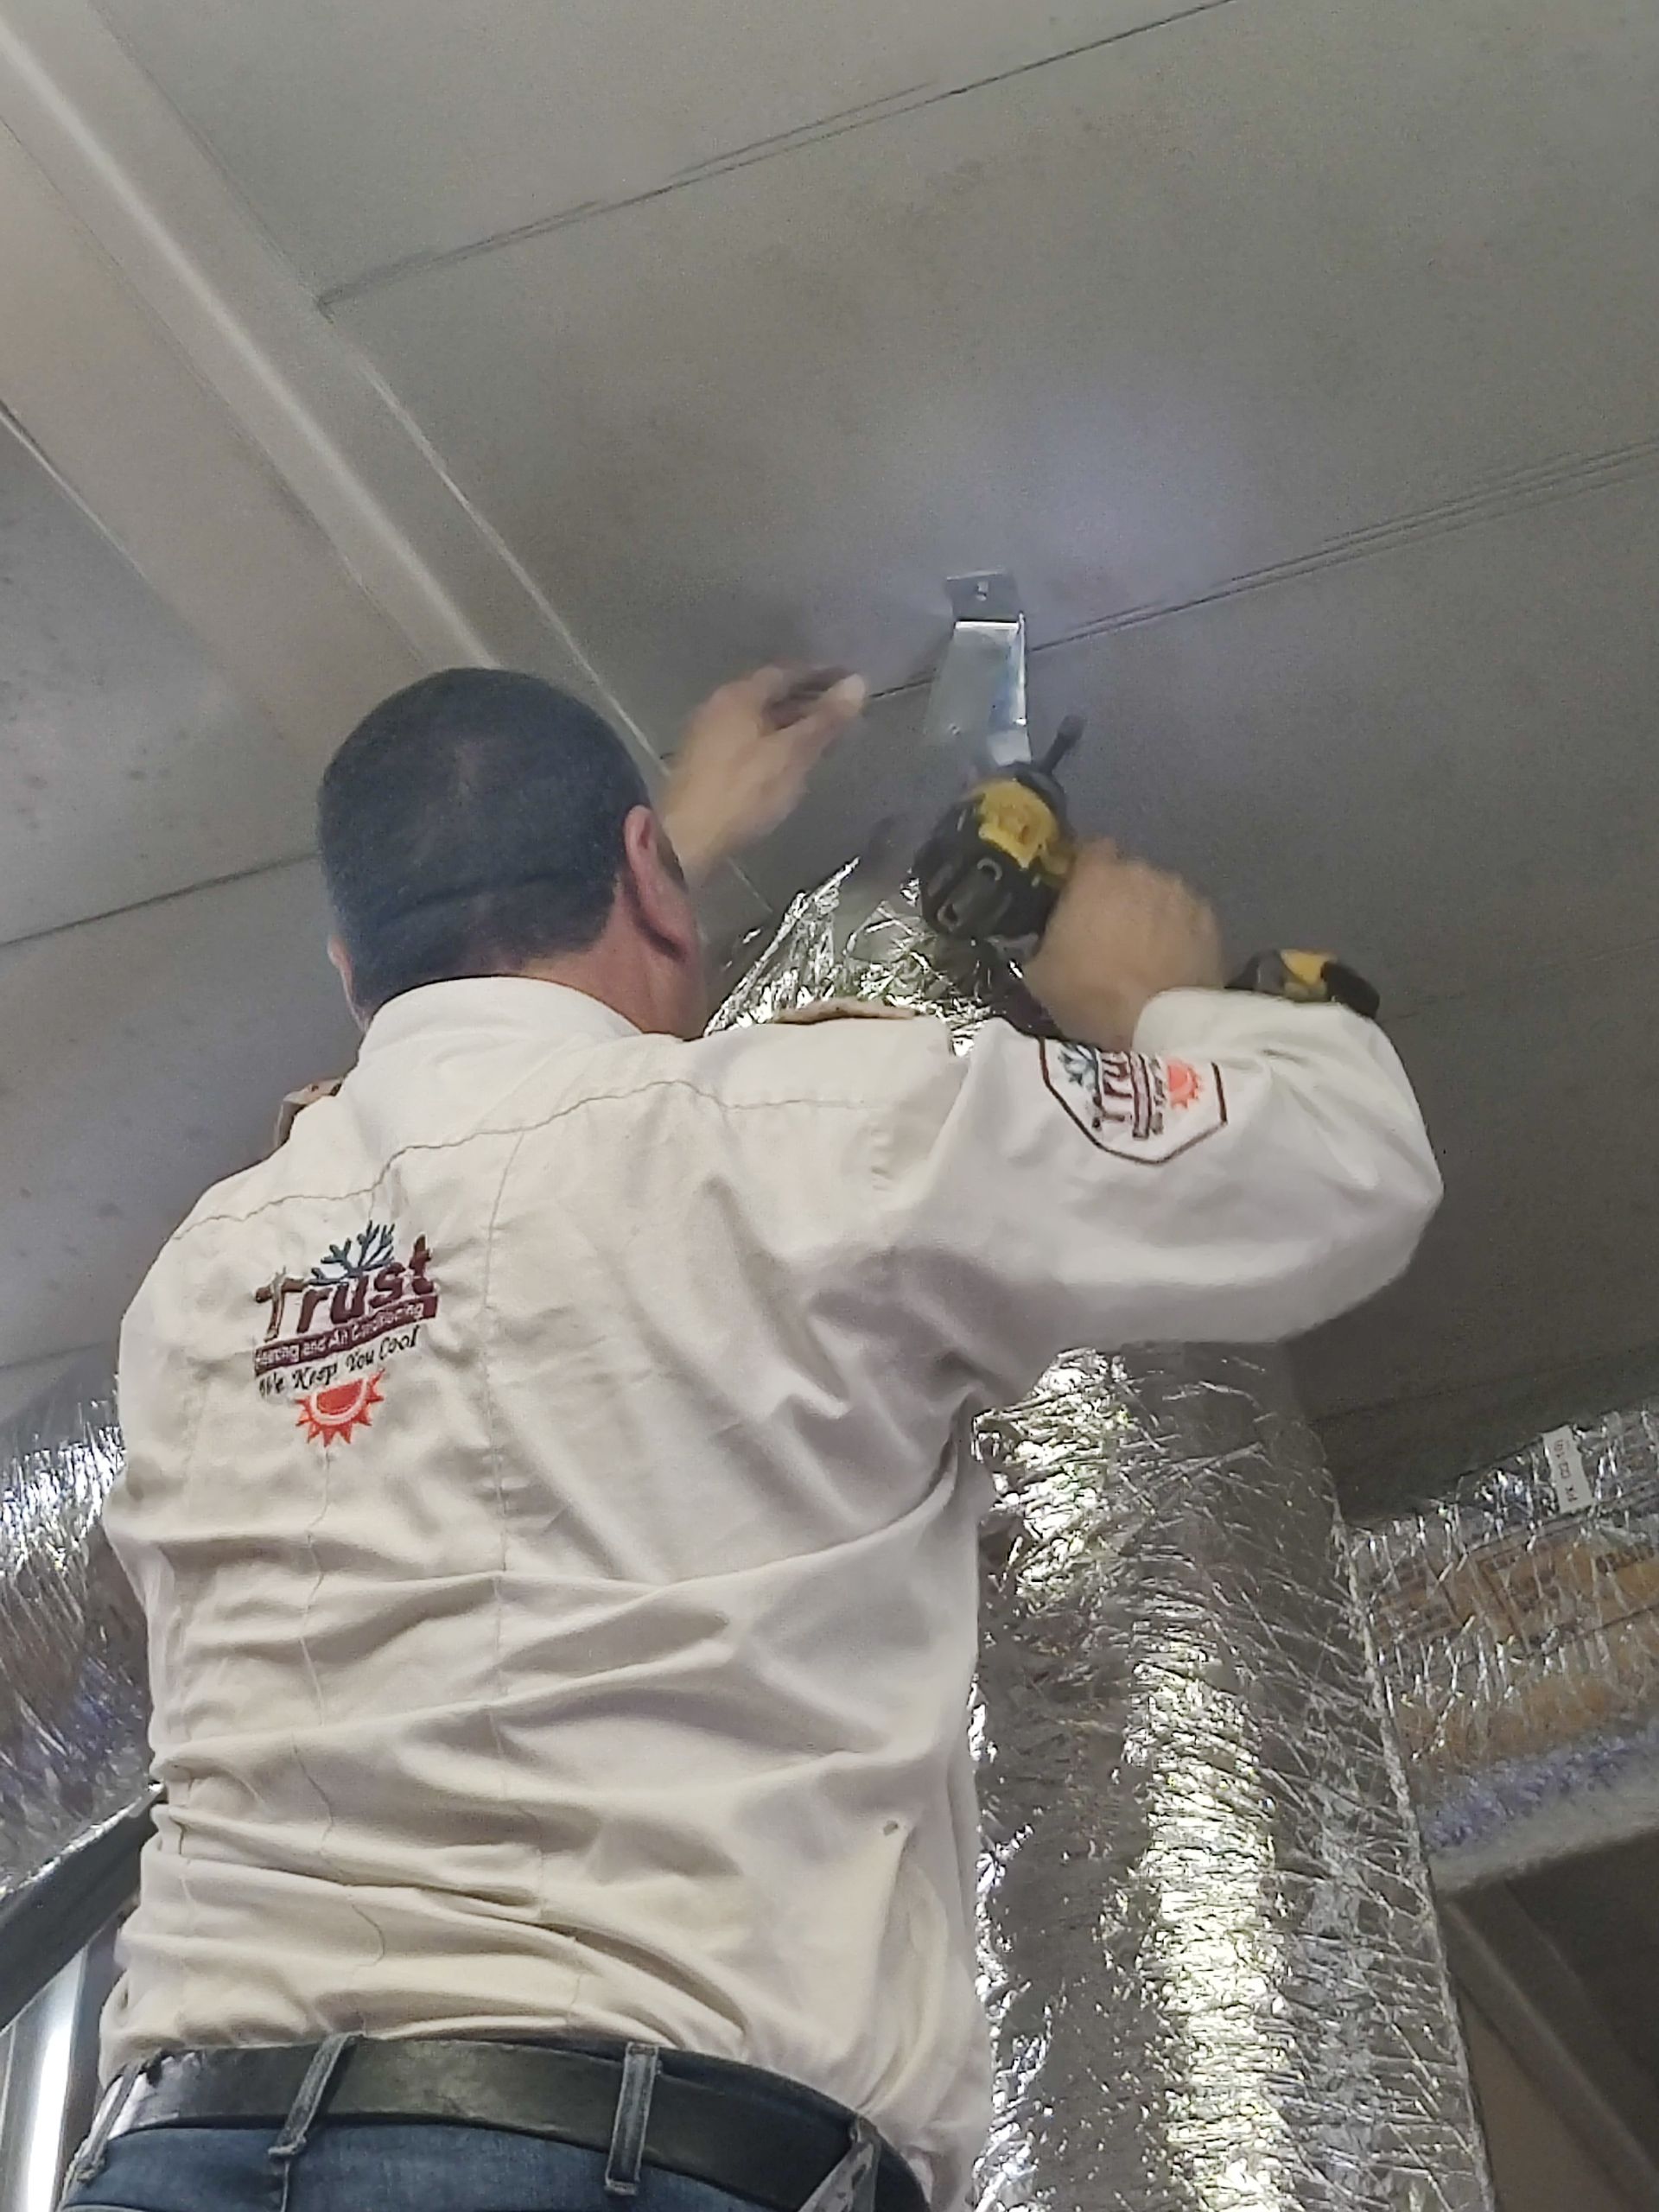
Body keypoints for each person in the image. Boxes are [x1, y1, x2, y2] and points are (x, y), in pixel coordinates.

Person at [67, 664, 1440, 2212]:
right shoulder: (810, 1127)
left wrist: (663, 862)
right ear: (640, 871)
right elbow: (1340, 1166)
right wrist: (1160, 1001)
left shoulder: (202, 1280)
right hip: (613, 2157)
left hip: (178, 2159)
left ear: (347, 970)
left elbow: (478, 1143)